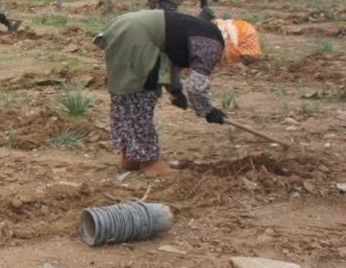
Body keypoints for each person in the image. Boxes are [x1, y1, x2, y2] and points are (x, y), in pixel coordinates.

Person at [93, 10, 261, 175]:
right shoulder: (212, 44)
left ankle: (131, 156)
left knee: (127, 96)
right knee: (141, 97)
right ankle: (150, 162)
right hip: (136, 35)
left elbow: (169, 58)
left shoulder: (204, 32)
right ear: (235, 42)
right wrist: (208, 111)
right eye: (241, 56)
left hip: (128, 27)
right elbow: (196, 87)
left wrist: (175, 90)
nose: (239, 61)